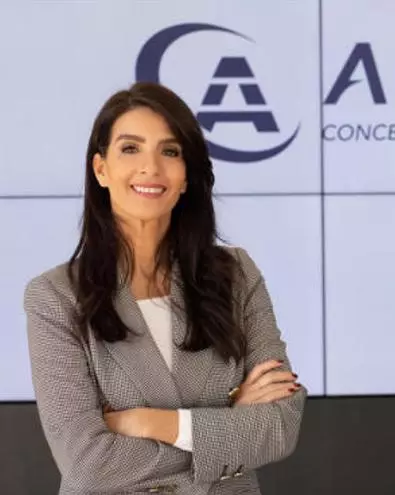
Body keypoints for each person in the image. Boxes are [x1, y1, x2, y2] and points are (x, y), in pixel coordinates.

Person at [23, 81, 307, 494]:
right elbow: (87, 463)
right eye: (130, 149)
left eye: (170, 152)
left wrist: (151, 422)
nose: (151, 168)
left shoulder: (236, 275)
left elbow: (280, 426)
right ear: (100, 169)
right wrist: (227, 428)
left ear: (187, 175)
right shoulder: (54, 297)